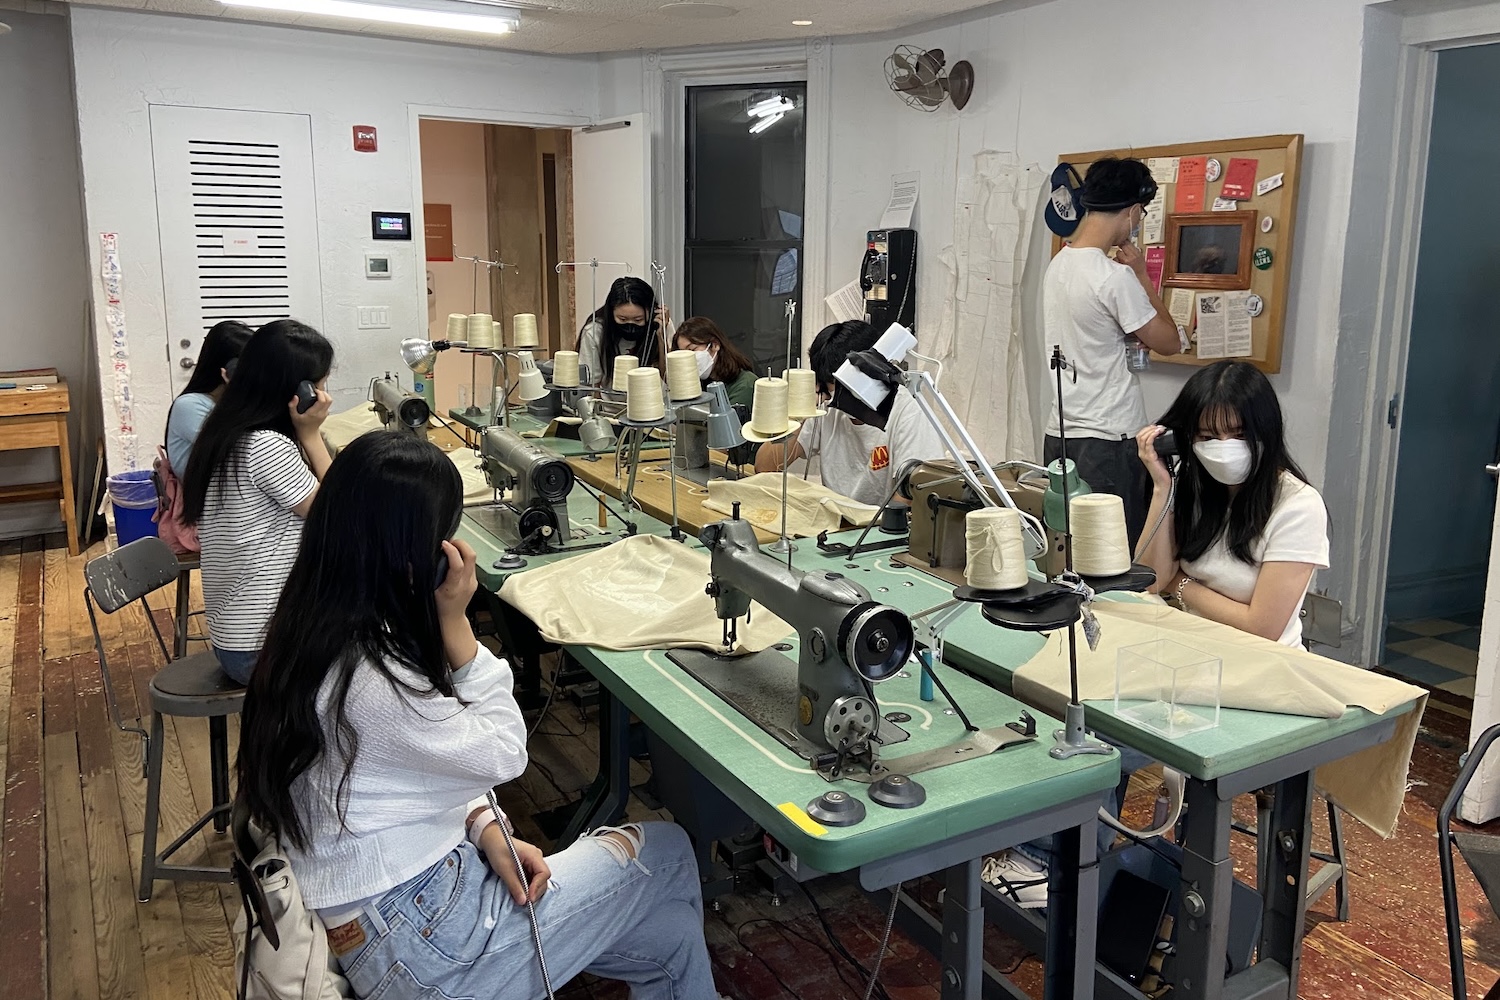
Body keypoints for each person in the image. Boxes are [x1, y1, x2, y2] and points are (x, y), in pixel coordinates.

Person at [236, 432, 718, 999]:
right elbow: (504, 752)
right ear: (417, 550)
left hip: (389, 907)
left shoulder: (311, 626)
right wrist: (457, 623)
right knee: (666, 851)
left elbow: (404, 767)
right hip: (420, 942)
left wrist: (484, 825)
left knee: (671, 937)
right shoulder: (371, 677)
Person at [181, 319, 334, 684]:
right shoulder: (266, 445)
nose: (327, 396)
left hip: (237, 639)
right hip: (260, 651)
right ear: (301, 391)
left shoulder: (225, 432)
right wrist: (311, 436)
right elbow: (338, 510)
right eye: (322, 385)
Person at [1135, 360, 1329, 646]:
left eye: (1240, 435)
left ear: (1266, 432)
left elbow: (1261, 628)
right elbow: (1150, 581)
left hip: (1258, 662)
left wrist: (1180, 583)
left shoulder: (1299, 506)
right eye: (1208, 436)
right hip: (1188, 646)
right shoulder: (1190, 482)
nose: (1225, 447)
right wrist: (1163, 487)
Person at [1043, 156, 1183, 546]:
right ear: (1133, 210)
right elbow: (1169, 342)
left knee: (1067, 547)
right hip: (1108, 438)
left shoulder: (1059, 265)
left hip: (1061, 431)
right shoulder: (1114, 277)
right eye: (1140, 214)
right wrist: (1141, 273)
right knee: (1113, 554)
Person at [754, 320, 945, 506]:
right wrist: (797, 413)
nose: (829, 395)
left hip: (877, 528)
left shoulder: (908, 414)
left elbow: (908, 499)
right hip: (836, 523)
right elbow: (765, 467)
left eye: (834, 383)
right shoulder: (827, 406)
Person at [165, 320, 253, 475]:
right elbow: (242, 452)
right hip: (206, 496)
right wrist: (239, 393)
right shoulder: (189, 405)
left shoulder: (222, 402)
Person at [576, 276, 672, 388]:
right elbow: (592, 384)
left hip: (655, 402)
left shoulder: (661, 323)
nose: (630, 324)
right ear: (611, 313)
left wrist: (661, 338)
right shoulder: (595, 332)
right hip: (611, 404)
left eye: (638, 320)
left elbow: (669, 378)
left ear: (651, 313)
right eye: (622, 319)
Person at [674, 316, 757, 408]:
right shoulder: (702, 383)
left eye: (692, 349)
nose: (688, 358)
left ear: (715, 345)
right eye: (683, 353)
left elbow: (728, 421)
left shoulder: (745, 384)